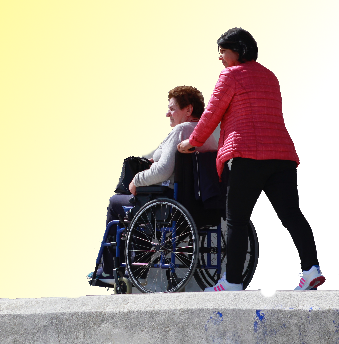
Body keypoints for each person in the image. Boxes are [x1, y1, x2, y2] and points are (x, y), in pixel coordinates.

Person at [177, 28, 325, 291]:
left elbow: (211, 114)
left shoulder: (231, 75)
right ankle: (311, 269)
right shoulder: (270, 77)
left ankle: (232, 281)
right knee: (292, 214)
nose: (220, 57)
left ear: (239, 50)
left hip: (247, 155)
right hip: (282, 157)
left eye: (223, 51)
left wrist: (191, 142)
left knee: (236, 219)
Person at [88, 86, 218, 284]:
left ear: (189, 110)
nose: (168, 113)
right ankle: (135, 266)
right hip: (201, 203)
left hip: (171, 204)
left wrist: (136, 180)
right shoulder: (209, 134)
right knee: (141, 204)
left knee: (117, 203)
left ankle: (108, 271)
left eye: (172, 108)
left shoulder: (181, 130)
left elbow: (164, 170)